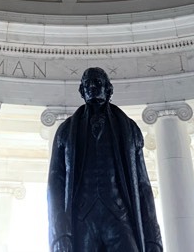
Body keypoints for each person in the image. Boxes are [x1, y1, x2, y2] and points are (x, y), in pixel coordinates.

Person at [47, 67, 162, 252]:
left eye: (98, 83)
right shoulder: (65, 131)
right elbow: (55, 185)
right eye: (87, 84)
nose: (92, 87)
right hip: (82, 220)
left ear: (109, 89)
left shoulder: (130, 130)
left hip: (119, 217)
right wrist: (59, 233)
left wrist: (153, 239)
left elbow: (143, 186)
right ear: (81, 91)